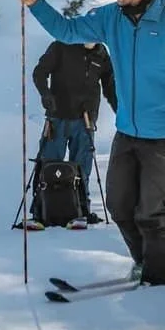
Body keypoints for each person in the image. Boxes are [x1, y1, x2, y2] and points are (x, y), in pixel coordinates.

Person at [16, 0, 165, 286]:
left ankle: (158, 280)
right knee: (120, 207)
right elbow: (67, 30)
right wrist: (36, 3)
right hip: (128, 131)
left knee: (153, 212)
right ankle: (143, 263)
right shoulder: (111, 18)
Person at [29, 40, 116, 228]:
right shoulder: (61, 46)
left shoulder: (101, 54)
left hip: (85, 120)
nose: (90, 36)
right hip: (57, 117)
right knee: (48, 163)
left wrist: (122, 112)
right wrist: (45, 94)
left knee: (82, 168)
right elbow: (40, 72)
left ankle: (81, 211)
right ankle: (40, 212)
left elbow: (110, 86)